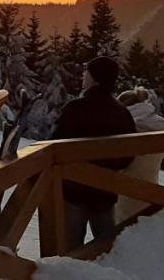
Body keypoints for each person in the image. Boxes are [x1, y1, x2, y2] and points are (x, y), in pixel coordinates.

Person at [50, 56, 137, 249]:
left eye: (86, 72)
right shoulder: (122, 113)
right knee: (107, 249)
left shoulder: (76, 108)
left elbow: (53, 146)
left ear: (94, 77)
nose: (83, 75)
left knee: (70, 248)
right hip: (105, 192)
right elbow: (129, 154)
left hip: (74, 191)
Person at [114, 86, 164, 223]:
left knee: (120, 235)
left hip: (124, 192)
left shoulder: (127, 126)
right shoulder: (159, 125)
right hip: (151, 190)